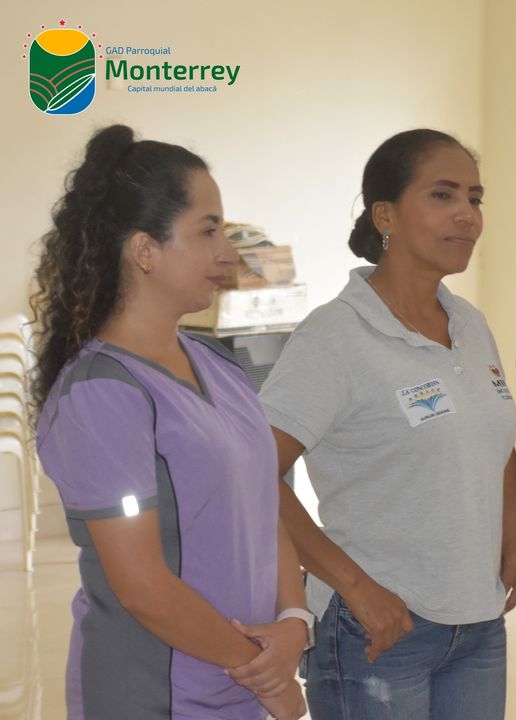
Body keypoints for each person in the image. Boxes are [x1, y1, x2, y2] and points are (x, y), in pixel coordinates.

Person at [256, 128, 516, 720]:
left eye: (474, 198)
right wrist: (356, 588)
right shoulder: (336, 336)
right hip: (378, 630)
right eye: (443, 195)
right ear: (385, 215)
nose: (467, 214)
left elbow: (490, 434)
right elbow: (252, 472)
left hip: (478, 623)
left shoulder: (467, 323)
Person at [32, 124, 309, 720]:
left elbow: (263, 505)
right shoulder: (102, 395)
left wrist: (294, 620)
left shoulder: (217, 365)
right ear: (144, 251)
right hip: (157, 696)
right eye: (208, 230)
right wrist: (264, 673)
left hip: (242, 681)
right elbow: (142, 587)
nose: (228, 252)